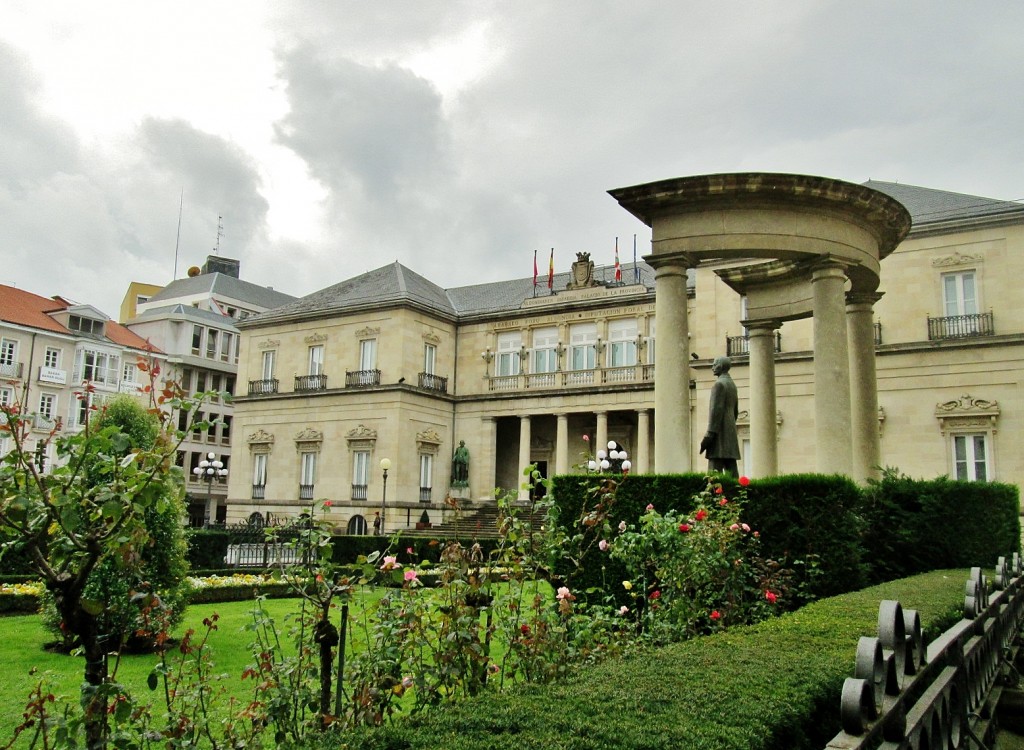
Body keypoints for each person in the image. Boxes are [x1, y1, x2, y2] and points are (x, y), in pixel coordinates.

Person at [699, 356, 741, 477]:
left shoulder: (719, 385)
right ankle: (737, 489)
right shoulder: (732, 385)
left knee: (713, 473)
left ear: (721, 366)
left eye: (715, 364)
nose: (712, 367)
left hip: (718, 433)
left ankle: (713, 491)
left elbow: (715, 411)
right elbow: (735, 411)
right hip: (730, 431)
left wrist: (710, 433)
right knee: (731, 470)